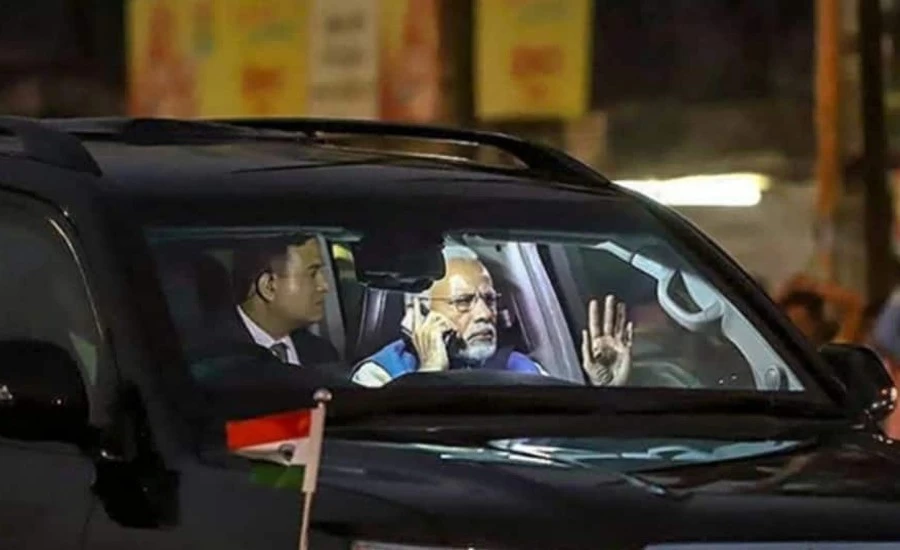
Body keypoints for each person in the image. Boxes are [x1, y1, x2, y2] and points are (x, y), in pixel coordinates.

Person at [351, 245, 634, 388]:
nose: (485, 314)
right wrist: (430, 373)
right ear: (421, 312)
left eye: (489, 300)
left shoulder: (524, 370)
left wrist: (605, 391)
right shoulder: (380, 375)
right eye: (463, 302)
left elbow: (563, 439)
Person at [207, 233, 339, 368]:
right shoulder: (209, 357)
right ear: (268, 286)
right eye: (312, 274)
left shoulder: (322, 354)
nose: (324, 286)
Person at [775, 274, 863, 346]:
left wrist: (812, 287)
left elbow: (854, 303)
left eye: (801, 324)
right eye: (789, 322)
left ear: (815, 324)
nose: (795, 332)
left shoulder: (826, 354)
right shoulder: (780, 347)